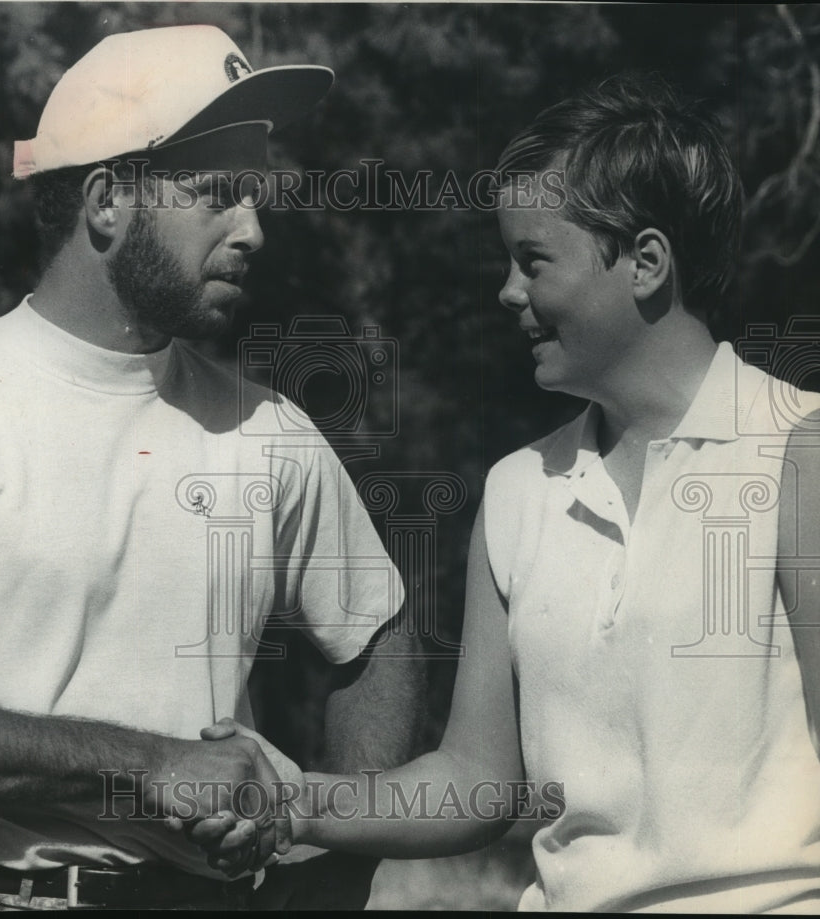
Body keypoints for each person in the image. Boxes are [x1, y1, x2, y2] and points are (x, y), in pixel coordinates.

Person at [0, 25, 423, 912]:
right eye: (218, 194)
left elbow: (376, 636)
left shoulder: (272, 430)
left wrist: (343, 864)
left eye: (254, 198)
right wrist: (152, 769)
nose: (252, 230)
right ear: (107, 201)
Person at [194, 73, 820, 913]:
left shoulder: (799, 450)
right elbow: (476, 780)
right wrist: (297, 795)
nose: (507, 292)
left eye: (532, 261)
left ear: (645, 264)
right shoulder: (518, 489)